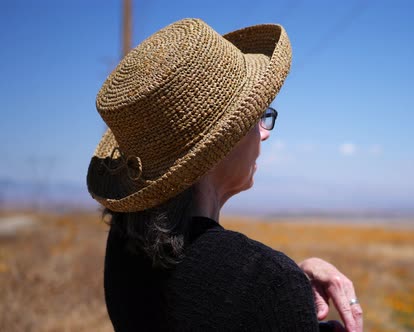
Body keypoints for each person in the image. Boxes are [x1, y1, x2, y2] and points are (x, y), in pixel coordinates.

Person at [87, 18, 363, 331]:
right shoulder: (265, 283)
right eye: (257, 116)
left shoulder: (126, 243)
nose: (265, 133)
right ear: (219, 146)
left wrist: (293, 294)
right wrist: (288, 293)